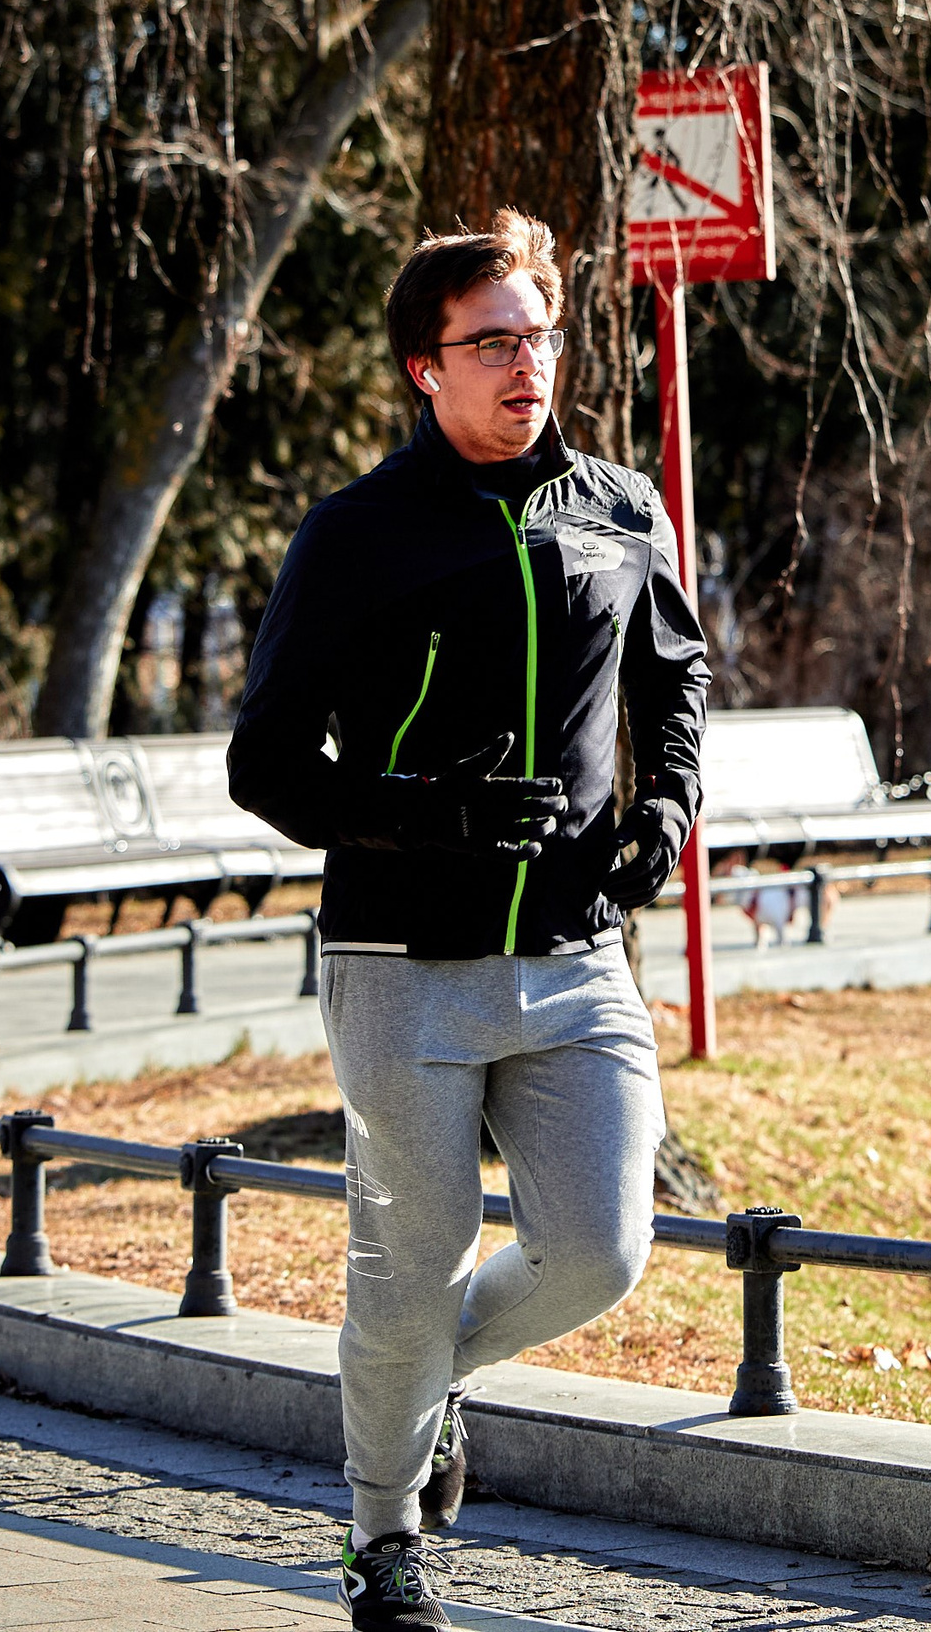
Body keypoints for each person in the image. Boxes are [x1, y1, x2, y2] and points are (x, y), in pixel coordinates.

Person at [226, 209, 707, 1630]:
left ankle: (425, 1387)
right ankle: (384, 1538)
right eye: (491, 341)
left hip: (574, 951)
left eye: (540, 334)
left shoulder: (619, 510)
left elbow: (674, 683)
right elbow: (266, 764)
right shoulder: (357, 534)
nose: (527, 362)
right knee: (410, 1252)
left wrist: (661, 820)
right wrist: (412, 812)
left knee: (602, 1249)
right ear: (422, 372)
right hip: (398, 960)